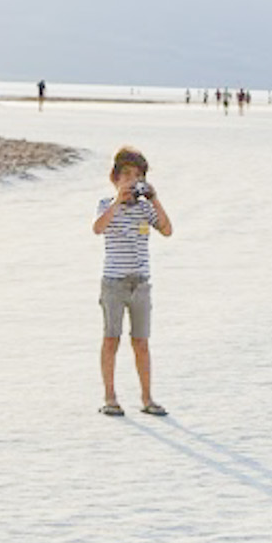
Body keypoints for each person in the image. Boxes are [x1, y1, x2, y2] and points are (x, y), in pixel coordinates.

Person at [92, 146, 175, 417]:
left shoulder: (144, 209)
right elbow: (97, 228)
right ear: (115, 178)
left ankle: (147, 398)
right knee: (111, 339)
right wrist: (117, 201)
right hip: (114, 284)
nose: (130, 180)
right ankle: (110, 397)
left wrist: (155, 199)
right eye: (126, 175)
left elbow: (167, 229)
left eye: (137, 176)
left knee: (141, 342)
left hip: (141, 284)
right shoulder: (107, 204)